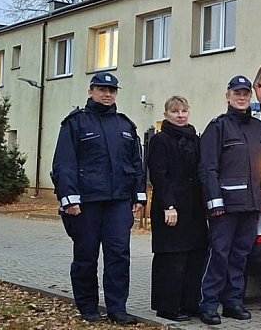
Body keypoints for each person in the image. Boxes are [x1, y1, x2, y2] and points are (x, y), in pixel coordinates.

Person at [52, 72, 146, 325]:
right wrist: (69, 199)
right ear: (91, 91)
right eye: (102, 89)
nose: (107, 94)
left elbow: (136, 164)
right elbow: (65, 163)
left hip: (118, 202)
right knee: (86, 255)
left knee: (118, 255)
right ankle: (88, 306)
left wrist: (139, 196)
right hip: (87, 202)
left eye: (112, 90)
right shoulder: (76, 123)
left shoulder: (125, 126)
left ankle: (117, 309)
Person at [197, 75, 261, 326]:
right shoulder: (217, 127)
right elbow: (208, 168)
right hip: (225, 207)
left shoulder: (259, 128)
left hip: (252, 204)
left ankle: (233, 302)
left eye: (245, 94)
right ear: (228, 96)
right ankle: (208, 304)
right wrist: (214, 201)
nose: (241, 98)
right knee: (219, 255)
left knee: (240, 255)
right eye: (237, 93)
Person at [146, 96, 209, 322]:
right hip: (171, 206)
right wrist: (168, 205)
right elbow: (159, 177)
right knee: (172, 259)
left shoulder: (194, 138)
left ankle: (190, 304)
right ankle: (168, 307)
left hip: (194, 208)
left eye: (184, 111)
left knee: (194, 258)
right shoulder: (160, 140)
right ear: (166, 115)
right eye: (175, 112)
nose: (181, 115)